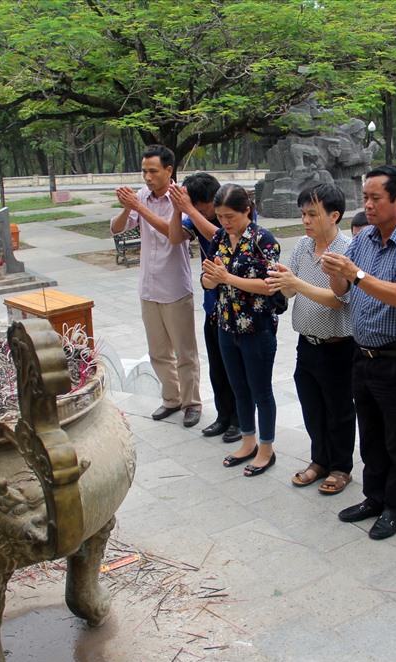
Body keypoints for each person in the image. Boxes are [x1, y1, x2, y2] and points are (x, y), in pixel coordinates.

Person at [321, 165, 396, 540]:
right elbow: (342, 292)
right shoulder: (364, 238)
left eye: (375, 198)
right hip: (363, 355)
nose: (366, 204)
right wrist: (336, 271)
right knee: (369, 435)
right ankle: (374, 497)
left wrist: (356, 274)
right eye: (365, 197)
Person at [265, 183, 356, 495]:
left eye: (312, 214)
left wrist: (295, 283)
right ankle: (319, 460)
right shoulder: (304, 246)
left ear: (334, 216)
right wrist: (282, 282)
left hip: (338, 345)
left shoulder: (346, 251)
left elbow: (337, 300)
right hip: (307, 343)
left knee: (339, 410)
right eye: (303, 213)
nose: (305, 220)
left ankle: (341, 467)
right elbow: (291, 290)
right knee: (313, 406)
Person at [112, 144, 202, 427]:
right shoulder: (141, 197)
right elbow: (116, 228)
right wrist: (128, 209)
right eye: (144, 171)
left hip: (175, 287)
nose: (147, 177)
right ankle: (171, 399)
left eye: (153, 171)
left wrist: (138, 207)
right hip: (148, 287)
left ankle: (192, 403)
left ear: (168, 171)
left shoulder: (180, 198)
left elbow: (172, 234)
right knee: (158, 352)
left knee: (184, 352)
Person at [201, 184, 280, 477]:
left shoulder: (263, 240)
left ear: (247, 210)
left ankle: (267, 448)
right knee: (239, 388)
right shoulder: (220, 237)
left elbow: (270, 286)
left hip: (256, 327)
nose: (224, 223)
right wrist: (213, 278)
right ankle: (247, 442)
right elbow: (207, 280)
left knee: (261, 390)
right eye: (220, 216)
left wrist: (227, 277)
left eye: (230, 216)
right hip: (225, 324)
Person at [167, 173, 241, 444]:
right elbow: (175, 238)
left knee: (237, 370)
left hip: (239, 306)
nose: (201, 212)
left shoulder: (236, 211)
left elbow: (221, 237)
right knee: (217, 367)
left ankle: (240, 420)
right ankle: (223, 416)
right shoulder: (194, 214)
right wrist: (178, 211)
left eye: (203, 207)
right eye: (195, 207)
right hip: (214, 305)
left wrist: (189, 210)